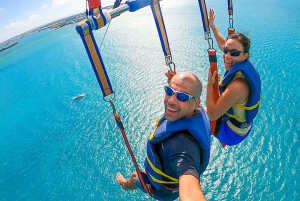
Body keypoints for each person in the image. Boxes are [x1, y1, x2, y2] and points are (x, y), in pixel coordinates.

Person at [116, 72, 211, 201]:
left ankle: (124, 185)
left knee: (134, 176)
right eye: (169, 91)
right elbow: (189, 94)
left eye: (182, 97)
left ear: (195, 103)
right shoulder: (198, 111)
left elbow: (190, 190)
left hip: (161, 191)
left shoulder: (182, 148)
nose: (171, 100)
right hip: (168, 177)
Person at [206, 8, 261, 146]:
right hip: (241, 126)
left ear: (245, 56)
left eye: (234, 53)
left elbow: (212, 115)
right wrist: (212, 25)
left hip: (232, 133)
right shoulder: (242, 63)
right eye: (226, 51)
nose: (227, 56)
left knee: (192, 112)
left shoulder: (238, 86)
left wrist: (209, 85)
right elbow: (221, 43)